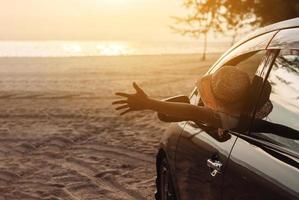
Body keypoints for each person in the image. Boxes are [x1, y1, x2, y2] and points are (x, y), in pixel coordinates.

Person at [113, 66, 251, 130]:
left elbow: (192, 111)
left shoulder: (227, 120)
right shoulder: (252, 114)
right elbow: (193, 111)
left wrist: (149, 103)